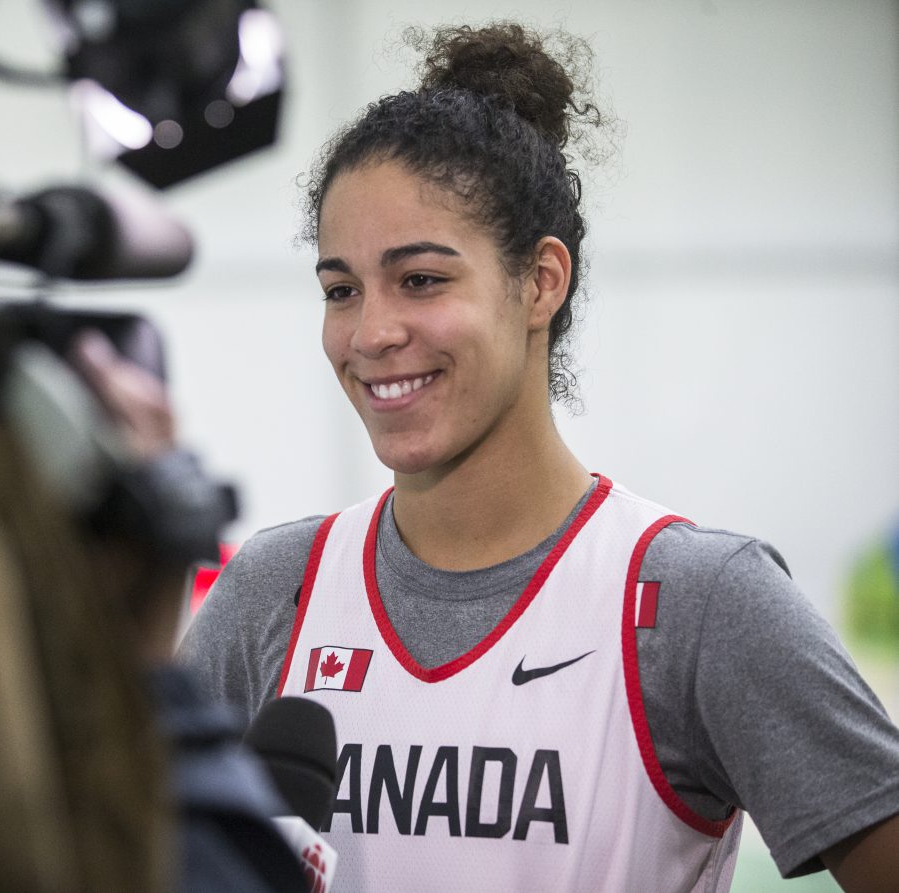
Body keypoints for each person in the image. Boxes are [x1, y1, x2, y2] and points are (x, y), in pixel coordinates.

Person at [179, 21, 899, 893]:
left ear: (541, 282)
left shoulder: (696, 602)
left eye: (422, 280)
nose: (370, 334)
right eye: (341, 290)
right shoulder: (273, 588)